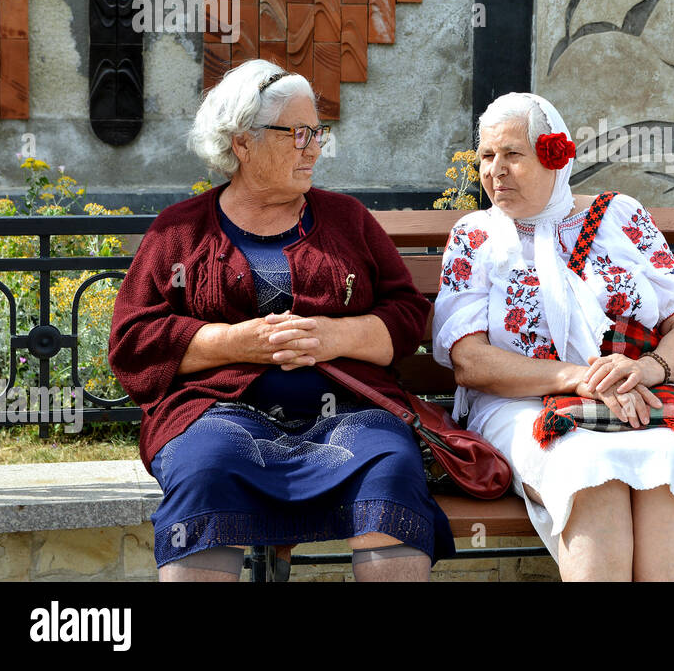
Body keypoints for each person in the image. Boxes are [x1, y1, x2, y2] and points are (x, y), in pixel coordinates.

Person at [109, 59, 454, 581]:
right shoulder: (179, 232)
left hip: (349, 414)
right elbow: (133, 342)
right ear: (242, 143)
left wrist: (337, 336)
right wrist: (233, 343)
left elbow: (407, 313)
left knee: (391, 465)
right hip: (217, 414)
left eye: (316, 131)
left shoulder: (348, 221)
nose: (314, 146)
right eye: (296, 133)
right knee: (206, 470)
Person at [431, 92, 674, 581]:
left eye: (512, 154)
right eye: (486, 155)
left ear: (554, 154)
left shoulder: (621, 216)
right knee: (589, 462)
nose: (495, 170)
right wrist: (579, 378)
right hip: (519, 404)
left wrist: (648, 369)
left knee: (665, 460)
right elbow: (470, 363)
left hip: (641, 394)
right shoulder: (475, 235)